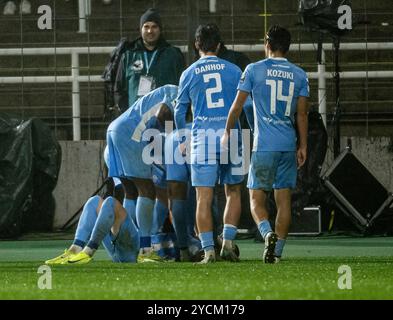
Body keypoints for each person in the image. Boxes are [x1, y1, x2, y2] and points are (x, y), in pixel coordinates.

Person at [222, 25, 309, 263]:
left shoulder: (254, 70)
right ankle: (277, 253)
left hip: (263, 145)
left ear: (267, 44)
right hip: (288, 144)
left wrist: (227, 130)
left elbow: (237, 106)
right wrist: (303, 146)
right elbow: (302, 115)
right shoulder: (300, 74)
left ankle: (266, 233)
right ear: (287, 47)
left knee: (255, 198)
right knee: (284, 200)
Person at [175, 23, 244, 264]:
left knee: (203, 196)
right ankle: (228, 244)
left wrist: (183, 138)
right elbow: (245, 107)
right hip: (231, 136)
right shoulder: (235, 70)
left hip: (202, 138)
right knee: (233, 191)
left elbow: (179, 111)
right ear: (219, 45)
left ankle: (209, 252)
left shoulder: (189, 73)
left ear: (196, 45)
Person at [106, 84, 178, 261]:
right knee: (147, 190)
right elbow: (162, 113)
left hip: (115, 129)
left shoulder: (168, 89)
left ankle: (130, 241)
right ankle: (145, 248)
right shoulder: (180, 94)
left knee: (130, 191)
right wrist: (173, 137)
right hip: (131, 134)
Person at [45, 151, 140, 265]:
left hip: (137, 247)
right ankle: (75, 249)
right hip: (119, 243)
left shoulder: (145, 177)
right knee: (94, 201)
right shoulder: (117, 179)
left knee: (110, 202)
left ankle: (90, 250)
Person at [114, 8, 185, 111]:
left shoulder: (173, 55)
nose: (150, 31)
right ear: (140, 29)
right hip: (137, 120)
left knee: (169, 127)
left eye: (154, 27)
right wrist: (128, 114)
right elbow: (119, 89)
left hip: (167, 119)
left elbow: (183, 88)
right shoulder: (128, 56)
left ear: (160, 29)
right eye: (146, 26)